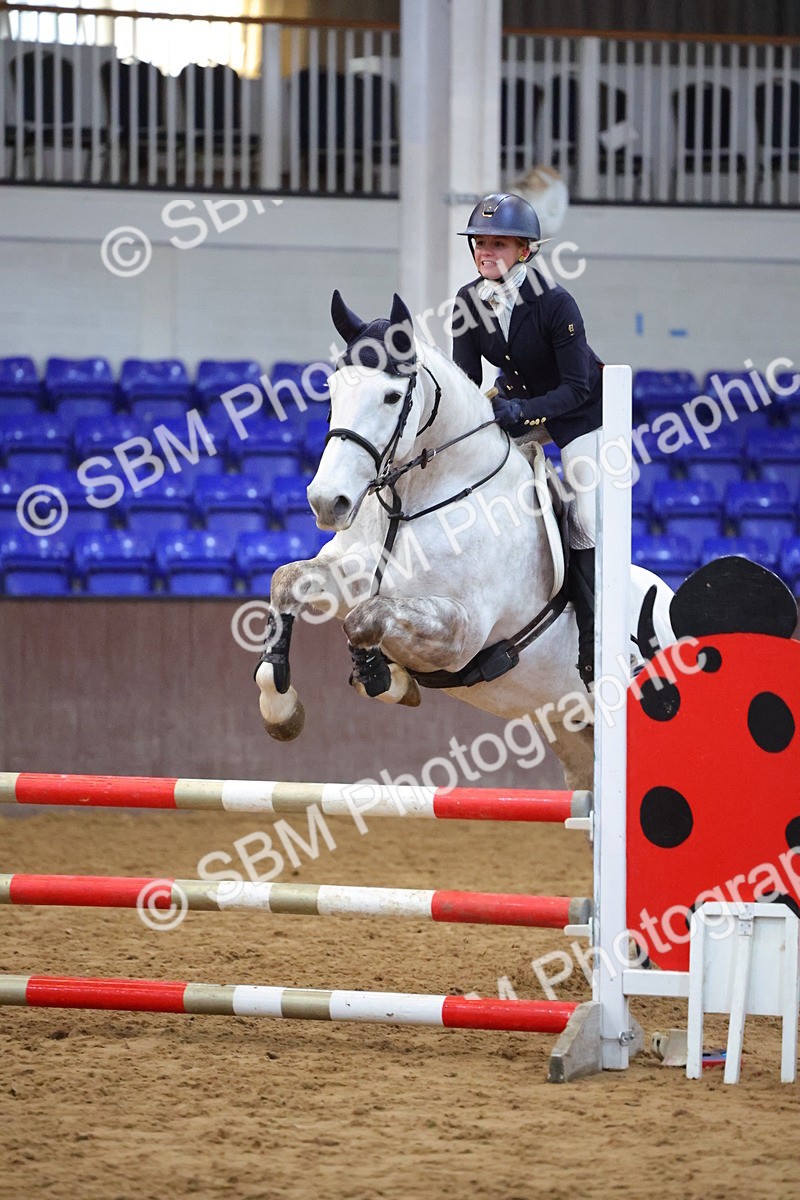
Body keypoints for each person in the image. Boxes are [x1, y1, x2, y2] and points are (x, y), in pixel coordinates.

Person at [451, 191, 603, 688]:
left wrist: (523, 411)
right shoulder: (468, 302)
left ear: (526, 251)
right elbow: (465, 381)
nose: (485, 252)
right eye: (480, 243)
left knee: (584, 516)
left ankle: (592, 638)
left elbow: (577, 386)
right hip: (518, 408)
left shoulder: (557, 302)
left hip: (581, 414)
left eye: (499, 243)